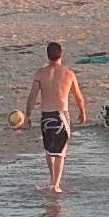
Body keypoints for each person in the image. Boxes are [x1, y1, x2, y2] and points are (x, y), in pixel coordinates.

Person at [25, 42, 86, 193]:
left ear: (47, 55)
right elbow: (79, 97)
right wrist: (82, 111)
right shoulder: (68, 73)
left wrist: (27, 115)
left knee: (49, 150)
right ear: (62, 54)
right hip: (61, 115)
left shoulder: (40, 73)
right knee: (60, 153)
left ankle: (53, 180)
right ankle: (56, 185)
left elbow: (32, 96)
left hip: (45, 116)